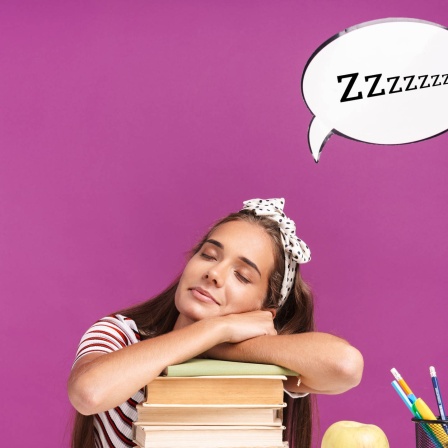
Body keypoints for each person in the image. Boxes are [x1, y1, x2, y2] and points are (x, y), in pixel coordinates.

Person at [68, 198, 363, 448]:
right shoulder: (120, 334)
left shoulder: (259, 368)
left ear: (264, 309)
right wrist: (215, 329)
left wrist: (217, 347)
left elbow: (345, 366)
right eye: (209, 255)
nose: (215, 274)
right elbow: (88, 392)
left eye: (242, 276)